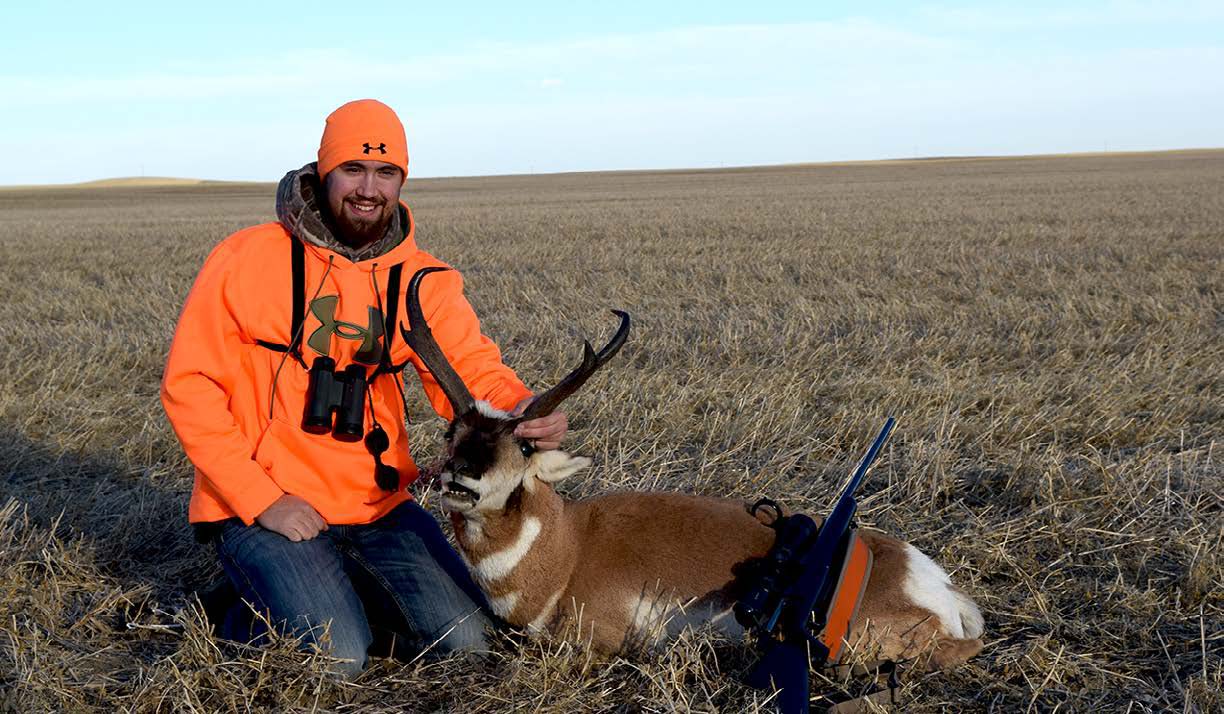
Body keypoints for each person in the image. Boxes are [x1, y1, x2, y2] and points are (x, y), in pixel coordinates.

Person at [160, 99, 566, 678]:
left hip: (377, 507)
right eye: (352, 169)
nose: (368, 188)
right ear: (323, 171)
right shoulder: (246, 259)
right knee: (337, 659)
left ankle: (326, 593)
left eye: (386, 173)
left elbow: (472, 369)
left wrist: (520, 408)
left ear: (402, 180)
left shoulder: (421, 279)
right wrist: (262, 499)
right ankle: (232, 609)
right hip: (264, 505)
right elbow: (189, 387)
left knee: (472, 644)